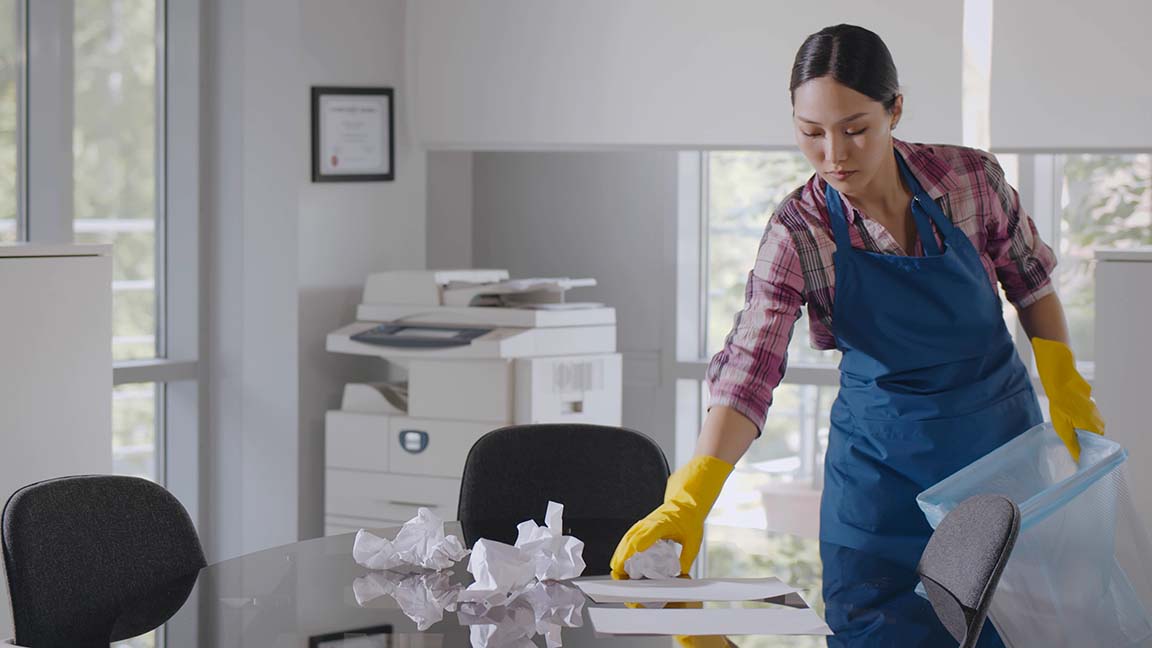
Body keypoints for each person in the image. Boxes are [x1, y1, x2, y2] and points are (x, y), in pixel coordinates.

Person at [610, 23, 1105, 646]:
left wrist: (1062, 379)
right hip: (879, 480)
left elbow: (1029, 282)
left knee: (1003, 631)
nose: (833, 155)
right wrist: (691, 497)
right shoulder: (800, 229)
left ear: (894, 109)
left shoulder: (969, 179)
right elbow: (749, 369)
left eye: (855, 129)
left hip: (994, 464)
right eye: (810, 133)